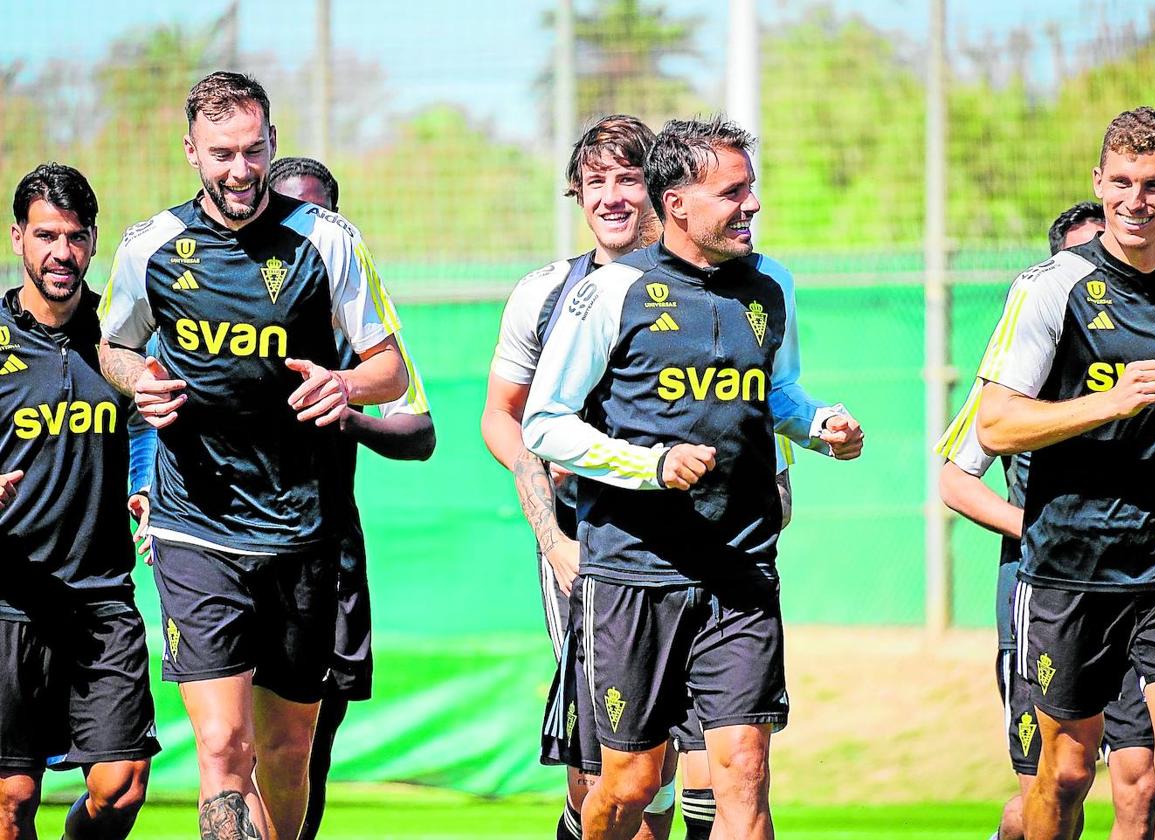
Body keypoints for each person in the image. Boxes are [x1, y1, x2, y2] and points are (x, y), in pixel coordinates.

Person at [523, 116, 863, 840]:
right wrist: (648, 466)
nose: (752, 205)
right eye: (732, 192)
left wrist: (819, 426)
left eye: (752, 189)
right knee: (632, 784)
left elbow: (779, 392)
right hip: (635, 576)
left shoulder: (772, 285)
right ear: (677, 202)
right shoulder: (611, 292)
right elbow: (544, 424)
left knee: (744, 771)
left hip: (740, 566)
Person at [98, 72, 407, 840]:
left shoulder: (328, 240)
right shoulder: (151, 248)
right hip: (195, 525)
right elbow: (112, 345)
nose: (240, 170)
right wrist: (142, 381)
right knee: (222, 746)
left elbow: (391, 367)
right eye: (222, 154)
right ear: (191, 152)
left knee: (287, 750)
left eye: (253, 150)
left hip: (301, 531)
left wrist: (345, 384)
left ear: (272, 141)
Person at [974, 107, 1155, 840]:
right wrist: (1108, 400)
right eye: (1124, 183)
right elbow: (996, 424)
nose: (1137, 201)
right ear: (1099, 183)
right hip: (1073, 565)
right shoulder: (1050, 287)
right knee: (1066, 774)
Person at [482, 114, 679, 840]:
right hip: (584, 546)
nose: (613, 197)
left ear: (659, 188)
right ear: (577, 194)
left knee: (708, 769)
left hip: (693, 549)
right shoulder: (544, 294)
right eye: (596, 182)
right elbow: (501, 418)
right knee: (607, 774)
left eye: (629, 178)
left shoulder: (710, 289)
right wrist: (552, 539)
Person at [938, 201, 1155, 840]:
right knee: (1054, 782)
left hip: (1143, 583)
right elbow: (955, 479)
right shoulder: (1016, 381)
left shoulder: (1153, 365)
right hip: (1049, 590)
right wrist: (1034, 525)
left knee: (1143, 781)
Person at [268, 157, 437, 840]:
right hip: (240, 556)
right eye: (287, 213)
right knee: (241, 744)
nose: (301, 229)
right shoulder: (223, 309)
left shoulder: (360, 339)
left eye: (317, 215)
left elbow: (420, 431)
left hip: (330, 553)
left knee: (312, 741)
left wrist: (348, 410)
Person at [0, 163, 159, 838]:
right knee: (10, 801)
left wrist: (147, 484)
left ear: (93, 242)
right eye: (45, 235)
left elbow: (147, 419)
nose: (60, 252)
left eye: (74, 236)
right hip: (10, 596)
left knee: (120, 789)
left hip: (101, 596)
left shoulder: (119, 333)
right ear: (17, 239)